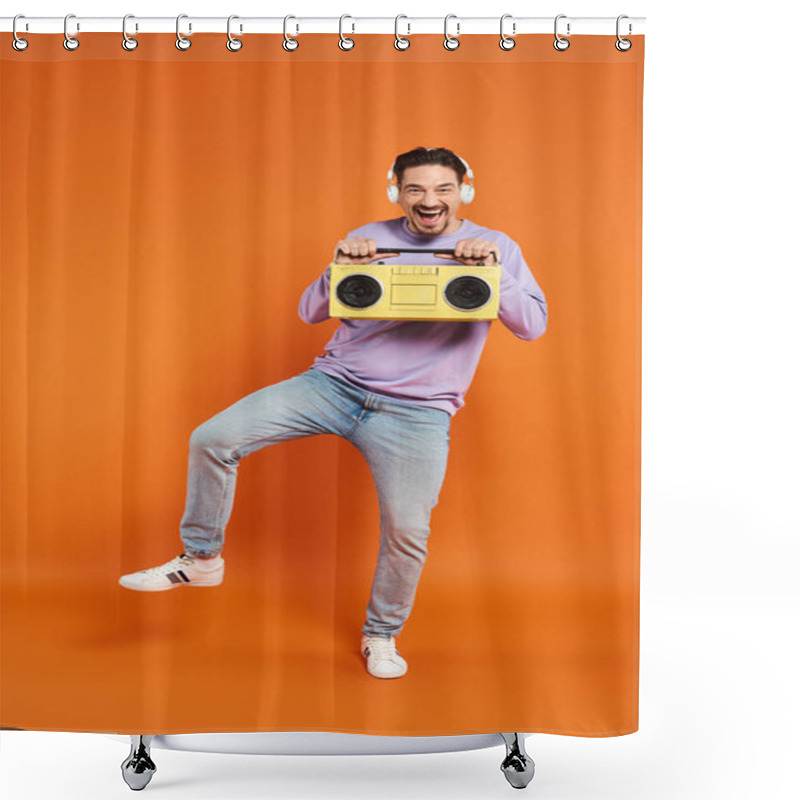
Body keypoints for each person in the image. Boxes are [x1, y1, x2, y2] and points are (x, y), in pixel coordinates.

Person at [118, 146, 548, 679]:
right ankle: (201, 559)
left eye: (442, 189)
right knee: (213, 437)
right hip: (334, 385)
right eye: (415, 189)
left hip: (416, 413)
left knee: (408, 531)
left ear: (465, 190)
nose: (429, 200)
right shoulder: (370, 235)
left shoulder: (499, 246)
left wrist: (495, 272)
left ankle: (382, 634)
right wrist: (340, 267)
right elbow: (308, 311)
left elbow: (532, 325)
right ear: (396, 191)